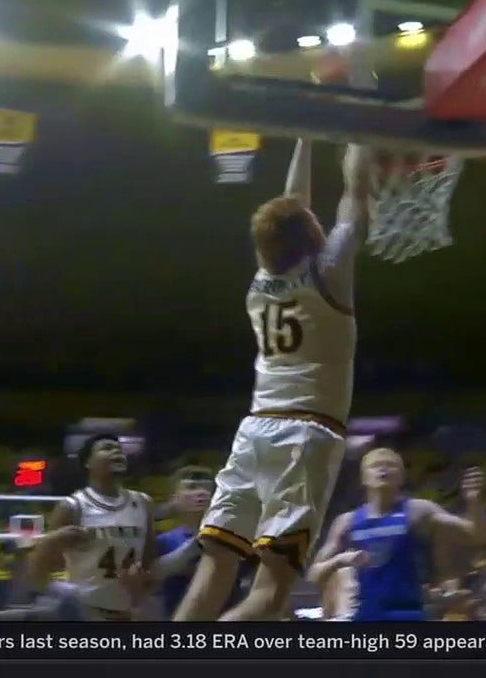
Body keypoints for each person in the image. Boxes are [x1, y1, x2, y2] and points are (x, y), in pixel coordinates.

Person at [172, 139, 373, 621]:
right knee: (271, 592)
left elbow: (293, 207)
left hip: (254, 432)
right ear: (310, 235)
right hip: (305, 435)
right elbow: (356, 195)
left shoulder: (260, 283)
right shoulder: (330, 273)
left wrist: (302, 135)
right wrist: (362, 128)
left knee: (214, 572)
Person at [307, 448, 486, 621]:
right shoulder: (346, 521)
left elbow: (475, 535)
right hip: (366, 614)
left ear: (401, 477)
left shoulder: (418, 510)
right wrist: (340, 561)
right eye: (376, 465)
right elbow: (314, 575)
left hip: (408, 611)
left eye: (390, 465)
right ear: (364, 478)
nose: (383, 469)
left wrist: (473, 502)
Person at [22, 434, 156, 620]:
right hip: (85, 613)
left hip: (128, 613)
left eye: (119, 449)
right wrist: (50, 542)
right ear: (88, 463)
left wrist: (142, 582)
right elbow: (39, 569)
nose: (116, 451)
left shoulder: (143, 502)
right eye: (107, 448)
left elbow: (149, 561)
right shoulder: (72, 506)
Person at [154, 466, 245, 617]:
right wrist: (199, 543)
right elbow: (153, 574)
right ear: (174, 498)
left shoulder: (236, 538)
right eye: (191, 487)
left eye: (208, 488)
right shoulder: (164, 541)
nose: (201, 493)